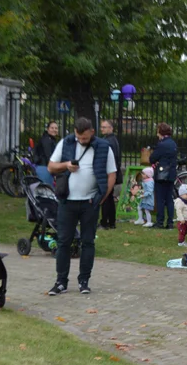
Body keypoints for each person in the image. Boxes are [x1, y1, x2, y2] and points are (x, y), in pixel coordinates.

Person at [46, 116, 117, 296]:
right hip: (67, 201)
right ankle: (61, 281)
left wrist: (102, 197)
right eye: (79, 137)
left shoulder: (103, 147)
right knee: (63, 241)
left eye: (85, 138)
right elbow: (51, 167)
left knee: (88, 242)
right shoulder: (66, 143)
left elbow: (111, 174)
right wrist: (66, 165)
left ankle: (84, 280)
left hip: (90, 202)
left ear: (92, 132)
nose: (81, 141)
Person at [151, 123, 178, 229]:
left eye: (158, 131)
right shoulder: (173, 143)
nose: (157, 134)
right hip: (171, 174)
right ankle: (170, 222)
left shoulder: (161, 144)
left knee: (160, 199)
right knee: (169, 199)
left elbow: (152, 158)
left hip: (162, 174)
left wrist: (157, 160)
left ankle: (160, 222)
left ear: (161, 132)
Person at [98, 119, 123, 230]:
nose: (102, 129)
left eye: (104, 127)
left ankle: (105, 222)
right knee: (110, 198)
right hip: (113, 172)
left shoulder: (108, 142)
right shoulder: (112, 140)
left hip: (109, 173)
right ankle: (111, 221)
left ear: (111, 128)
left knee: (106, 197)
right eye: (102, 127)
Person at [34, 121, 60, 186]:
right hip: (44, 167)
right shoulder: (46, 140)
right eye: (52, 128)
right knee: (47, 190)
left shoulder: (50, 139)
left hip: (46, 167)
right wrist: (54, 169)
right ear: (48, 129)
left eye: (56, 128)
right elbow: (48, 155)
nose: (54, 130)